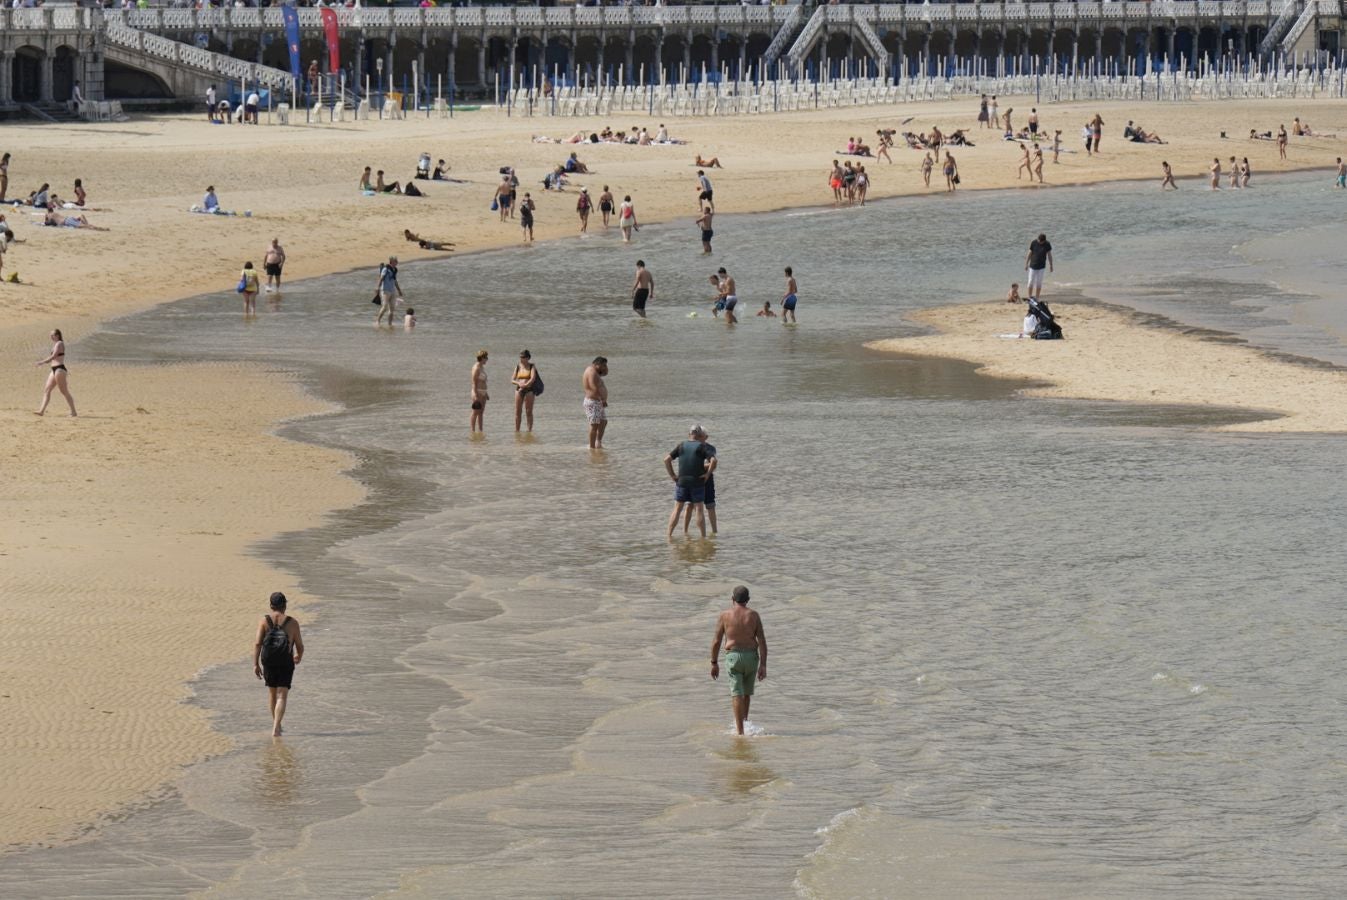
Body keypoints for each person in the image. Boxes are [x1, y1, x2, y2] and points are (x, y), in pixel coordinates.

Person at [710, 586, 767, 736]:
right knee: (747, 693)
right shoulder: (754, 615)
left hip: (733, 657)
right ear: (748, 600)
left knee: (736, 694)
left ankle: (740, 732)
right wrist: (763, 665)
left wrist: (714, 663)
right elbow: (762, 641)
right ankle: (746, 723)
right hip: (751, 657)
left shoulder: (725, 615)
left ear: (732, 599)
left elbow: (716, 641)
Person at [253, 591, 303, 737]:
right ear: (285, 605)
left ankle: (277, 724)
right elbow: (299, 645)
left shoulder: (264, 621)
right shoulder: (292, 623)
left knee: (272, 693)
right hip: (285, 661)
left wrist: (255, 664)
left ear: (271, 605)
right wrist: (298, 656)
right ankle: (276, 728)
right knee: (282, 695)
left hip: (268, 660)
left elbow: (257, 643)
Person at [665, 425, 713, 538]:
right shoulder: (701, 446)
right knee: (699, 510)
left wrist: (672, 475)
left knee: (677, 509)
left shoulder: (681, 445)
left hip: (682, 482)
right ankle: (703, 538)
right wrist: (707, 474)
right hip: (697, 482)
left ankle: (669, 535)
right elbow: (714, 461)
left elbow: (666, 460)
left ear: (689, 434)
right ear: (700, 435)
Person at [34, 328, 76, 417]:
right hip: (54, 369)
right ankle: (41, 411)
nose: (51, 337)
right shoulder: (55, 344)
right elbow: (51, 359)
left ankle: (73, 412)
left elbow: (53, 356)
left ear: (58, 335)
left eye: (52, 335)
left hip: (60, 369)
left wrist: (41, 362)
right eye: (50, 335)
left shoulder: (60, 343)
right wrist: (45, 361)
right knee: (47, 390)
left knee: (64, 391)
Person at [582, 356, 608, 449]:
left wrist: (604, 369)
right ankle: (592, 447)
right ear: (597, 364)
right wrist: (602, 399)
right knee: (594, 425)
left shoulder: (594, 371)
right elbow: (593, 387)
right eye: (604, 365)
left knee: (603, 422)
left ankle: (598, 442)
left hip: (597, 402)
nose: (605, 367)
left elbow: (605, 373)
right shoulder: (591, 372)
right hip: (593, 401)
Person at [512, 349, 540, 432]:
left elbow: (532, 378)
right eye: (520, 357)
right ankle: (517, 431)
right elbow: (512, 380)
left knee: (529, 411)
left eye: (523, 357)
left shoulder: (532, 366)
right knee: (518, 412)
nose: (521, 359)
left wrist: (525, 385)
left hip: (529, 390)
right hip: (519, 390)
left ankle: (529, 431)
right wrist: (519, 384)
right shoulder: (518, 367)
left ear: (528, 358)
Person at [1024, 233, 1053, 302]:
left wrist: (1051, 265)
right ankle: (1030, 297)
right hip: (1032, 266)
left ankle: (1037, 298)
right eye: (1038, 240)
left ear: (1044, 241)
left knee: (1039, 283)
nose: (1039, 242)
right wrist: (1026, 264)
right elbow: (1029, 253)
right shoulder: (1034, 242)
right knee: (1030, 281)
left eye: (1040, 241)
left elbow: (1049, 255)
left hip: (1041, 267)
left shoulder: (1047, 244)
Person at [375, 255, 402, 326]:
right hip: (385, 290)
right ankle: (378, 321)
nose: (397, 262)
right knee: (384, 307)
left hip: (393, 290)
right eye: (396, 261)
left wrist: (399, 290)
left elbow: (395, 280)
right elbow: (381, 278)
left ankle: (390, 324)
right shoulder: (385, 269)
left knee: (392, 308)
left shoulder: (395, 269)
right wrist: (377, 287)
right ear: (392, 261)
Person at [470, 349, 489, 433]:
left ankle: (480, 430)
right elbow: (474, 382)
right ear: (482, 358)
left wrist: (486, 393)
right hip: (477, 391)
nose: (487, 359)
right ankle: (473, 431)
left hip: (484, 392)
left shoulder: (482, 367)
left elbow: (483, 381)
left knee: (481, 413)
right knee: (475, 412)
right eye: (486, 358)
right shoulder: (476, 367)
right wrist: (475, 394)